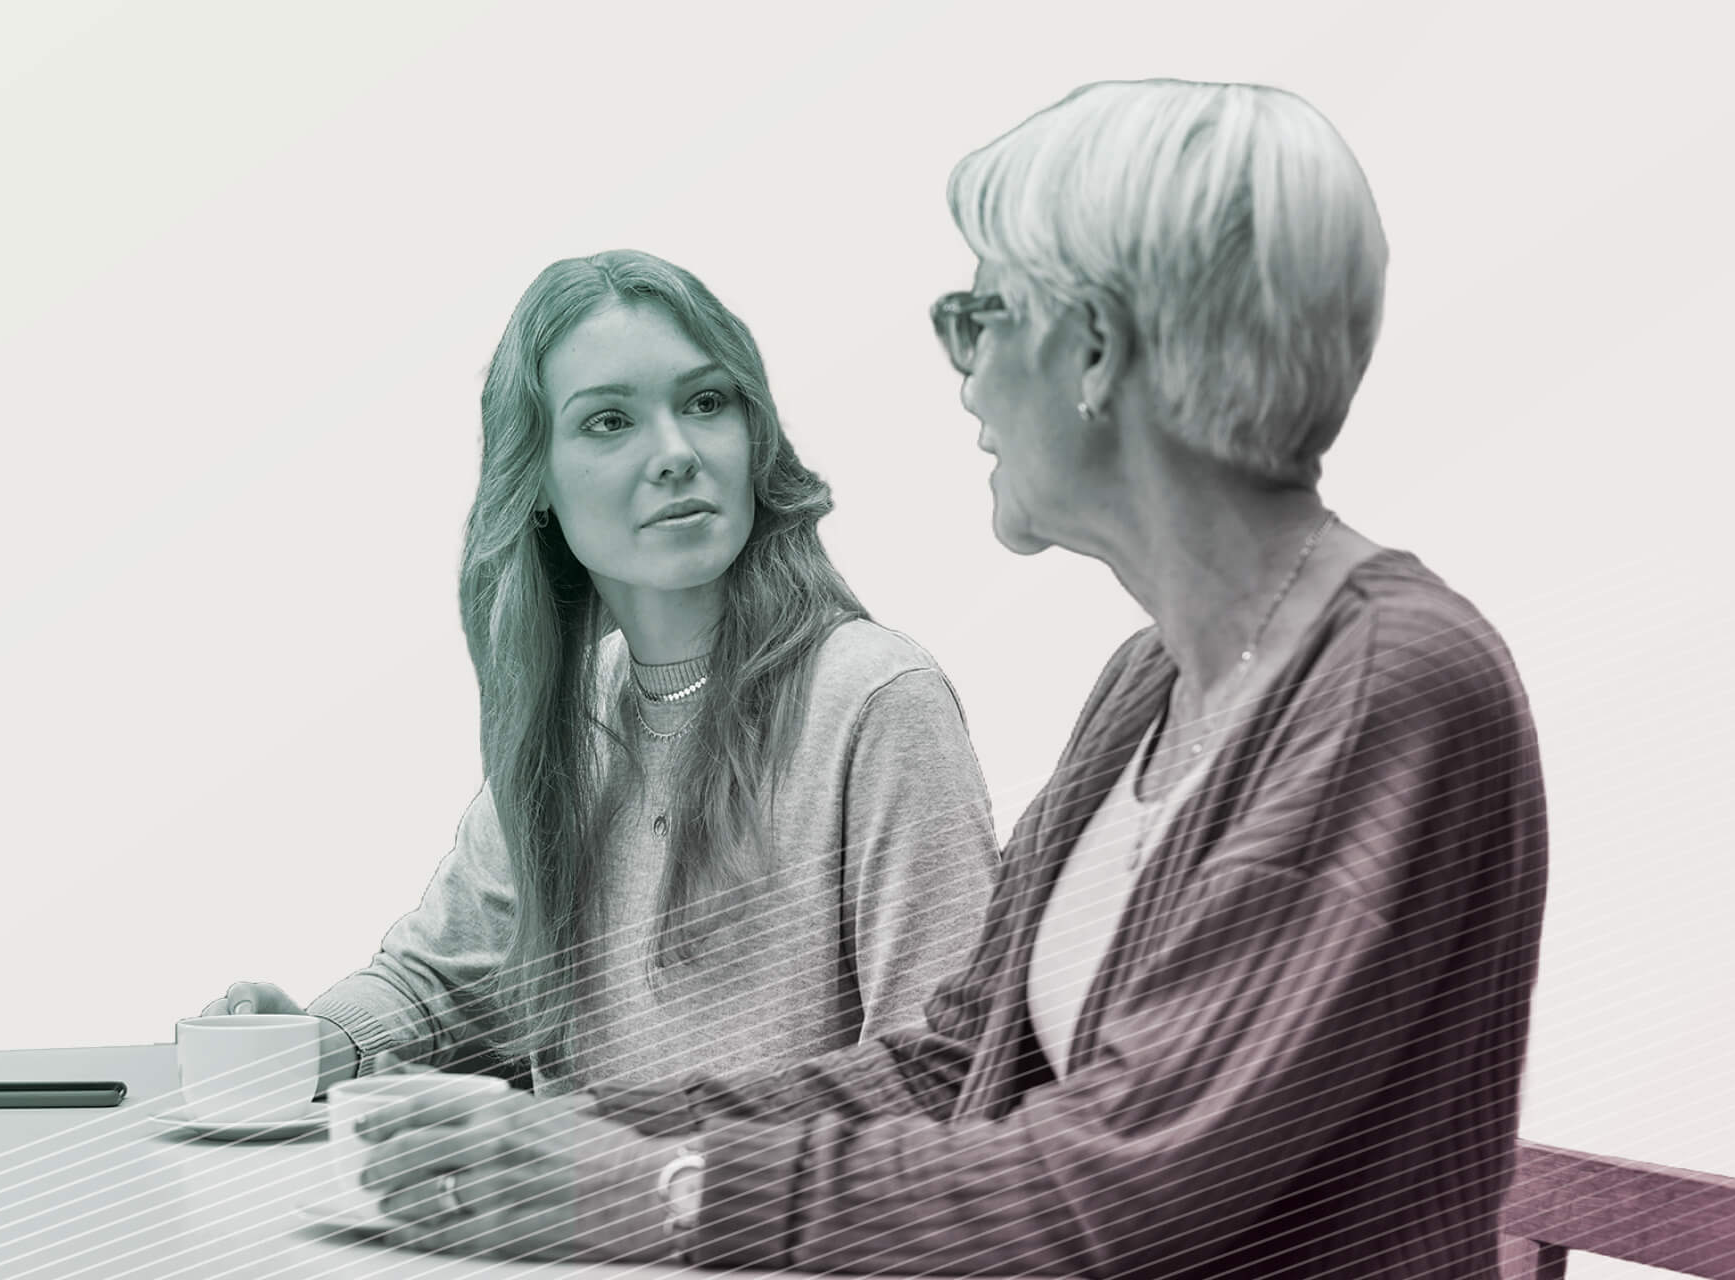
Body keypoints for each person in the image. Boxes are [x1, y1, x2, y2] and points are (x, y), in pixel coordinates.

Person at [350, 81, 1550, 1280]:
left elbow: (1113, 1191)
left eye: (981, 315)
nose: (963, 372)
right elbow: (952, 1065)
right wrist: (590, 1138)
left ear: (1096, 346)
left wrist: (655, 1191)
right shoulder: (1149, 681)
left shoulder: (1392, 690)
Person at [204, 250, 1000, 1102]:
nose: (675, 453)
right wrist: (315, 1042)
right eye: (609, 421)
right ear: (535, 479)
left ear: (754, 433)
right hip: (578, 1231)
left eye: (705, 403)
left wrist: (601, 1165)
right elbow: (438, 984)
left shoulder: (875, 699)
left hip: (754, 1229)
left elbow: (940, 1080)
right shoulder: (583, 711)